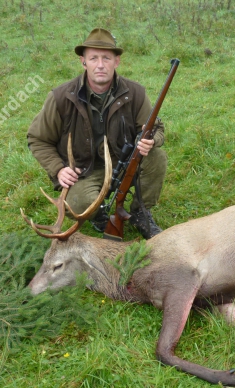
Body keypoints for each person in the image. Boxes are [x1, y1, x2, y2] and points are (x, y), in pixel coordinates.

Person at [27, 28, 167, 239]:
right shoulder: (61, 97)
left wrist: (151, 140)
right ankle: (99, 216)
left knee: (156, 156)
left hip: (124, 163)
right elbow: (37, 139)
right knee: (78, 204)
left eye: (106, 58)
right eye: (93, 58)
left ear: (116, 62)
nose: (100, 65)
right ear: (84, 62)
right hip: (85, 171)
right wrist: (59, 169)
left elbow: (156, 128)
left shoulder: (136, 93)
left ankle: (140, 212)